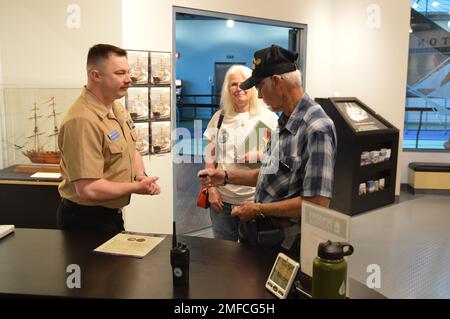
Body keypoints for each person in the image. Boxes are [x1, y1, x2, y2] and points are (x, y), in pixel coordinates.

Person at [198, 45, 337, 249]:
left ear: (277, 82)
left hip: (287, 240)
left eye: (260, 87)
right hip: (263, 233)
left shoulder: (316, 128)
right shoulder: (285, 121)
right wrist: (226, 177)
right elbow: (268, 174)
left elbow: (316, 204)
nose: (260, 96)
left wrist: (258, 210)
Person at [57, 44, 160, 236]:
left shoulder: (116, 108)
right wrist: (136, 187)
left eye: (128, 72)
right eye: (120, 73)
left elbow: (131, 149)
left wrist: (140, 175)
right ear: (96, 75)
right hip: (85, 222)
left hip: (109, 216)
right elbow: (88, 189)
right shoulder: (82, 120)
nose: (128, 79)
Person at [203, 65, 278, 241]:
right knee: (224, 254)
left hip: (254, 201)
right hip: (222, 201)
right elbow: (209, 156)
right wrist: (211, 189)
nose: (239, 89)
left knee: (251, 258)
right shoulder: (220, 117)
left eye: (244, 84)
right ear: (227, 89)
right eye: (234, 84)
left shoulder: (268, 119)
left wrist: (259, 156)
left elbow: (280, 159)